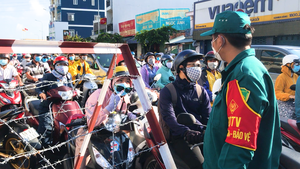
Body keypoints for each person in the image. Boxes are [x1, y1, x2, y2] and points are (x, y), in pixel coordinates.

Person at [200, 11, 281, 169]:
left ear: (221, 40)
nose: (212, 42)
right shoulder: (241, 70)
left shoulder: (243, 76)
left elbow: (239, 146)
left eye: (213, 37)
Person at [74, 66, 135, 168]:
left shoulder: (125, 96)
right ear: (111, 82)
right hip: (94, 132)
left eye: (127, 81)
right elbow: (91, 122)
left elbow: (123, 111)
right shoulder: (97, 95)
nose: (124, 84)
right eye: (120, 80)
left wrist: (130, 114)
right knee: (82, 151)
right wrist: (107, 109)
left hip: (113, 130)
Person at [159, 49, 211, 169]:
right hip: (181, 137)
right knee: (201, 166)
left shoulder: (200, 91)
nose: (197, 68)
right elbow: (169, 118)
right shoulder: (168, 91)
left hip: (201, 136)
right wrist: (186, 132)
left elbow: (208, 116)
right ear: (181, 68)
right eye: (193, 65)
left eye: (199, 65)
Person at [36, 56, 73, 146]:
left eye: (65, 64)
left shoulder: (68, 76)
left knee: (73, 122)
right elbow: (38, 87)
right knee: (47, 127)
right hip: (49, 104)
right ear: (54, 66)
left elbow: (71, 87)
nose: (63, 67)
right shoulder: (48, 76)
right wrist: (41, 93)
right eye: (60, 64)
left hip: (64, 104)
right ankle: (45, 145)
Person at [275, 54, 299, 119]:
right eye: (295, 64)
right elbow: (277, 93)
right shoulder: (281, 77)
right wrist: (290, 96)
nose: (298, 66)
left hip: (295, 104)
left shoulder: (296, 76)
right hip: (286, 106)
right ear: (288, 65)